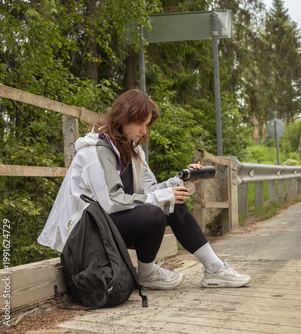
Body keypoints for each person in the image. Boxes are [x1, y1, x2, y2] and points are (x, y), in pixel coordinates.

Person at [38, 89, 251, 289]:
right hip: (84, 236)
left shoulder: (133, 150)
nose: (143, 130)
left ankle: (214, 269)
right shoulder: (95, 151)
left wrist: (179, 183)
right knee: (155, 211)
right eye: (139, 123)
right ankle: (147, 274)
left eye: (146, 124)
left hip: (108, 228)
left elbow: (149, 191)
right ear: (122, 118)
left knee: (172, 203)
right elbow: (111, 202)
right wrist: (163, 195)